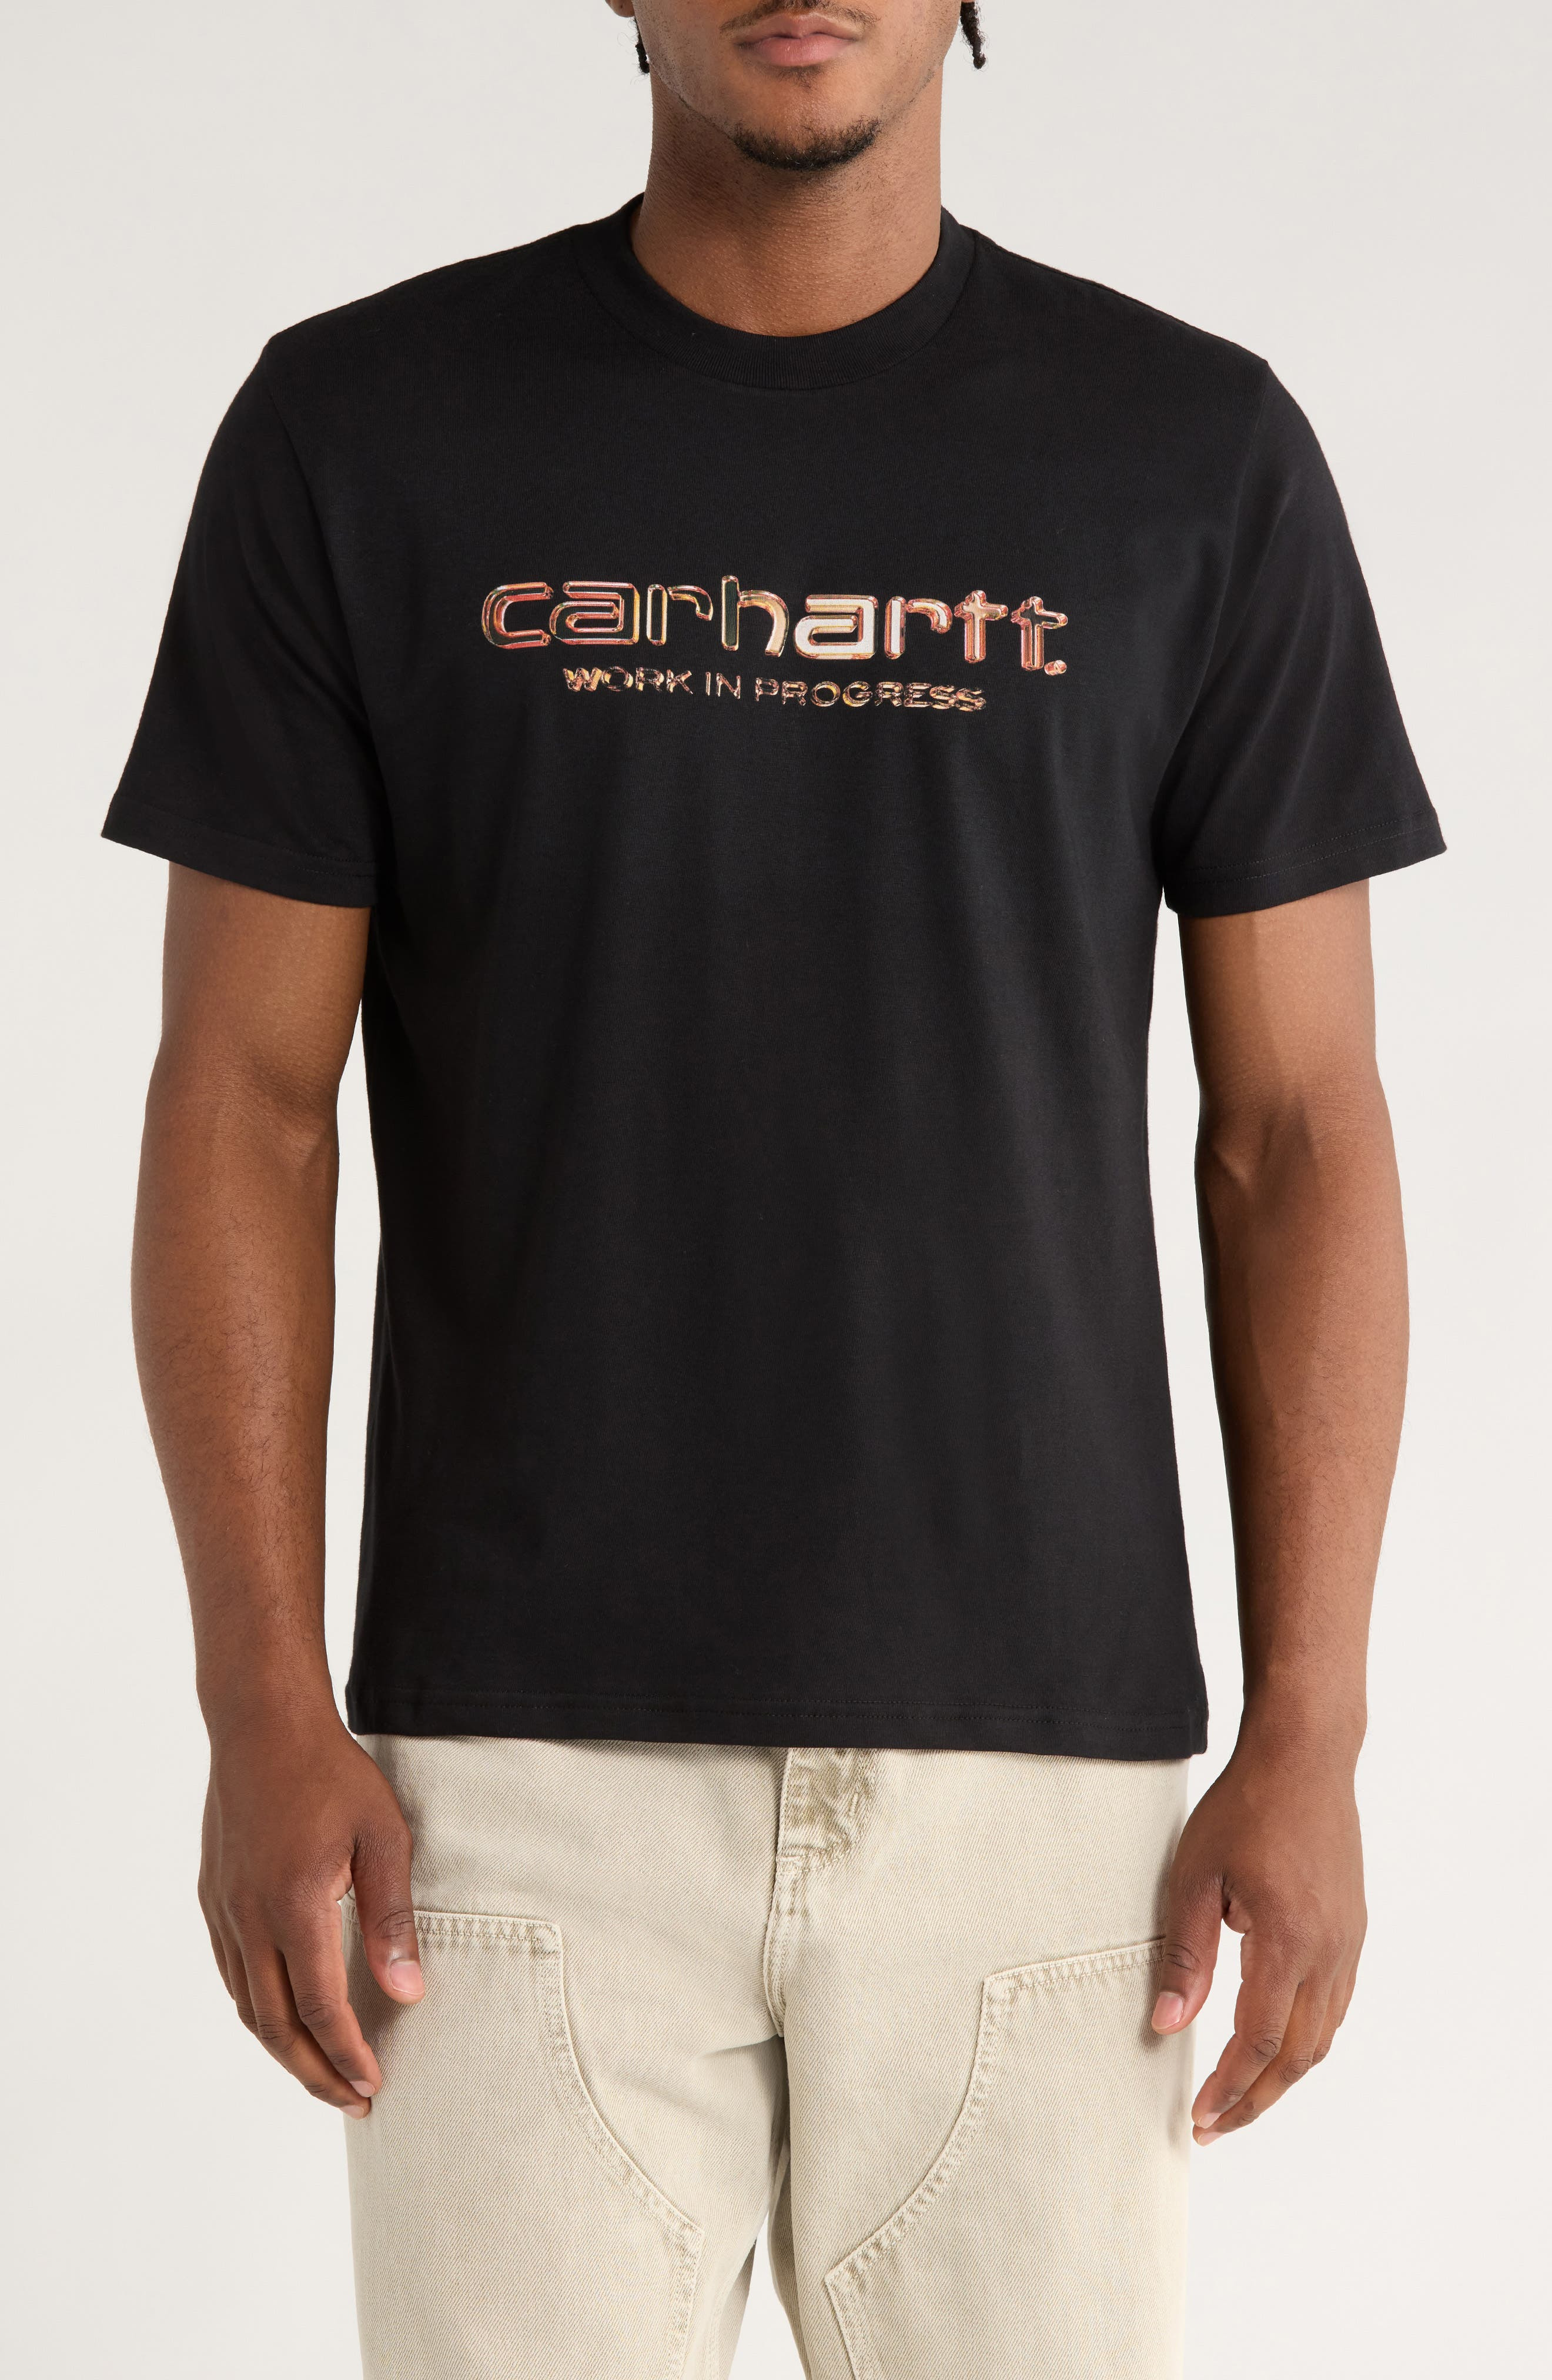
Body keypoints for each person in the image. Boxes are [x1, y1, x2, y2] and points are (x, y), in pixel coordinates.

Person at [105, 3, 1444, 2373]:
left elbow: (1300, 1131)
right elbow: (245, 1098)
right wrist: (259, 1705)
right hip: (507, 1801)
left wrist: (1313, 1729)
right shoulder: (363, 434)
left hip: (1045, 1799)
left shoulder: (1192, 457)